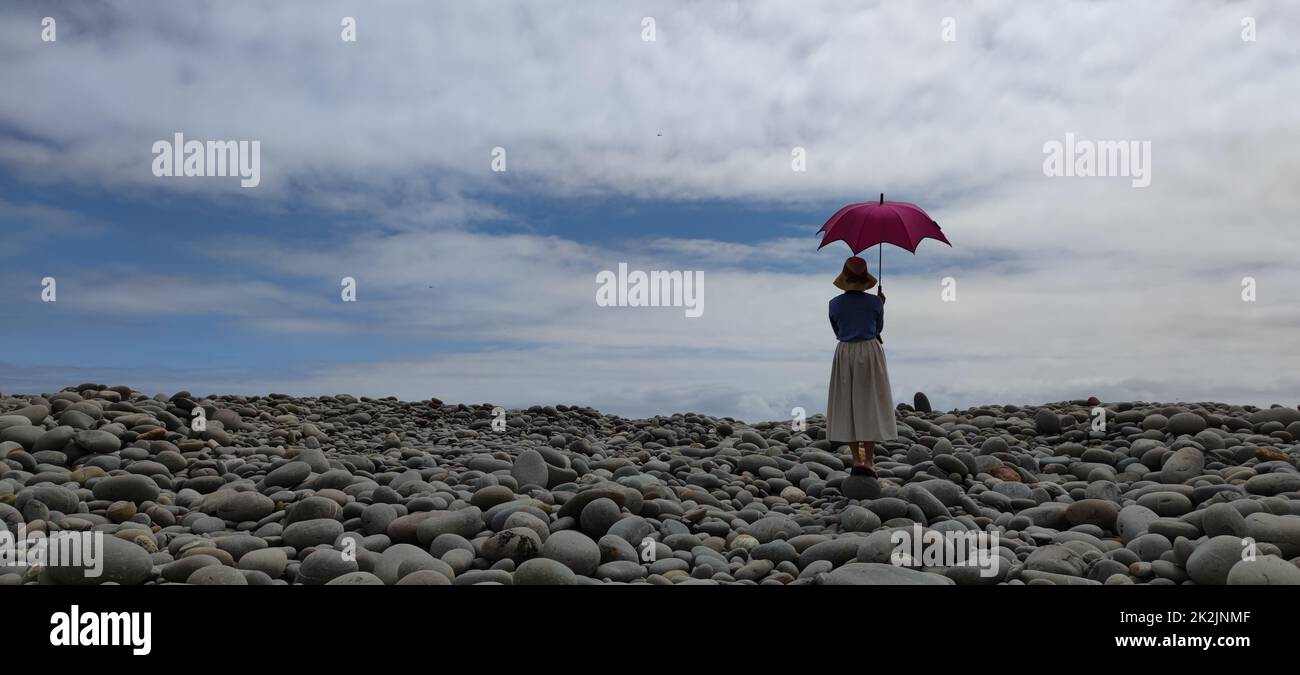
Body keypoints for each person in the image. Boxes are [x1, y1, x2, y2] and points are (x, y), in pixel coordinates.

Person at [826, 256, 898, 476]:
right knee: (870, 403)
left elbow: (838, 332)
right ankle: (869, 461)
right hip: (869, 351)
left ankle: (856, 460)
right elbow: (878, 329)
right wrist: (880, 304)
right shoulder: (875, 302)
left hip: (845, 351)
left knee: (848, 403)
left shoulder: (834, 304)